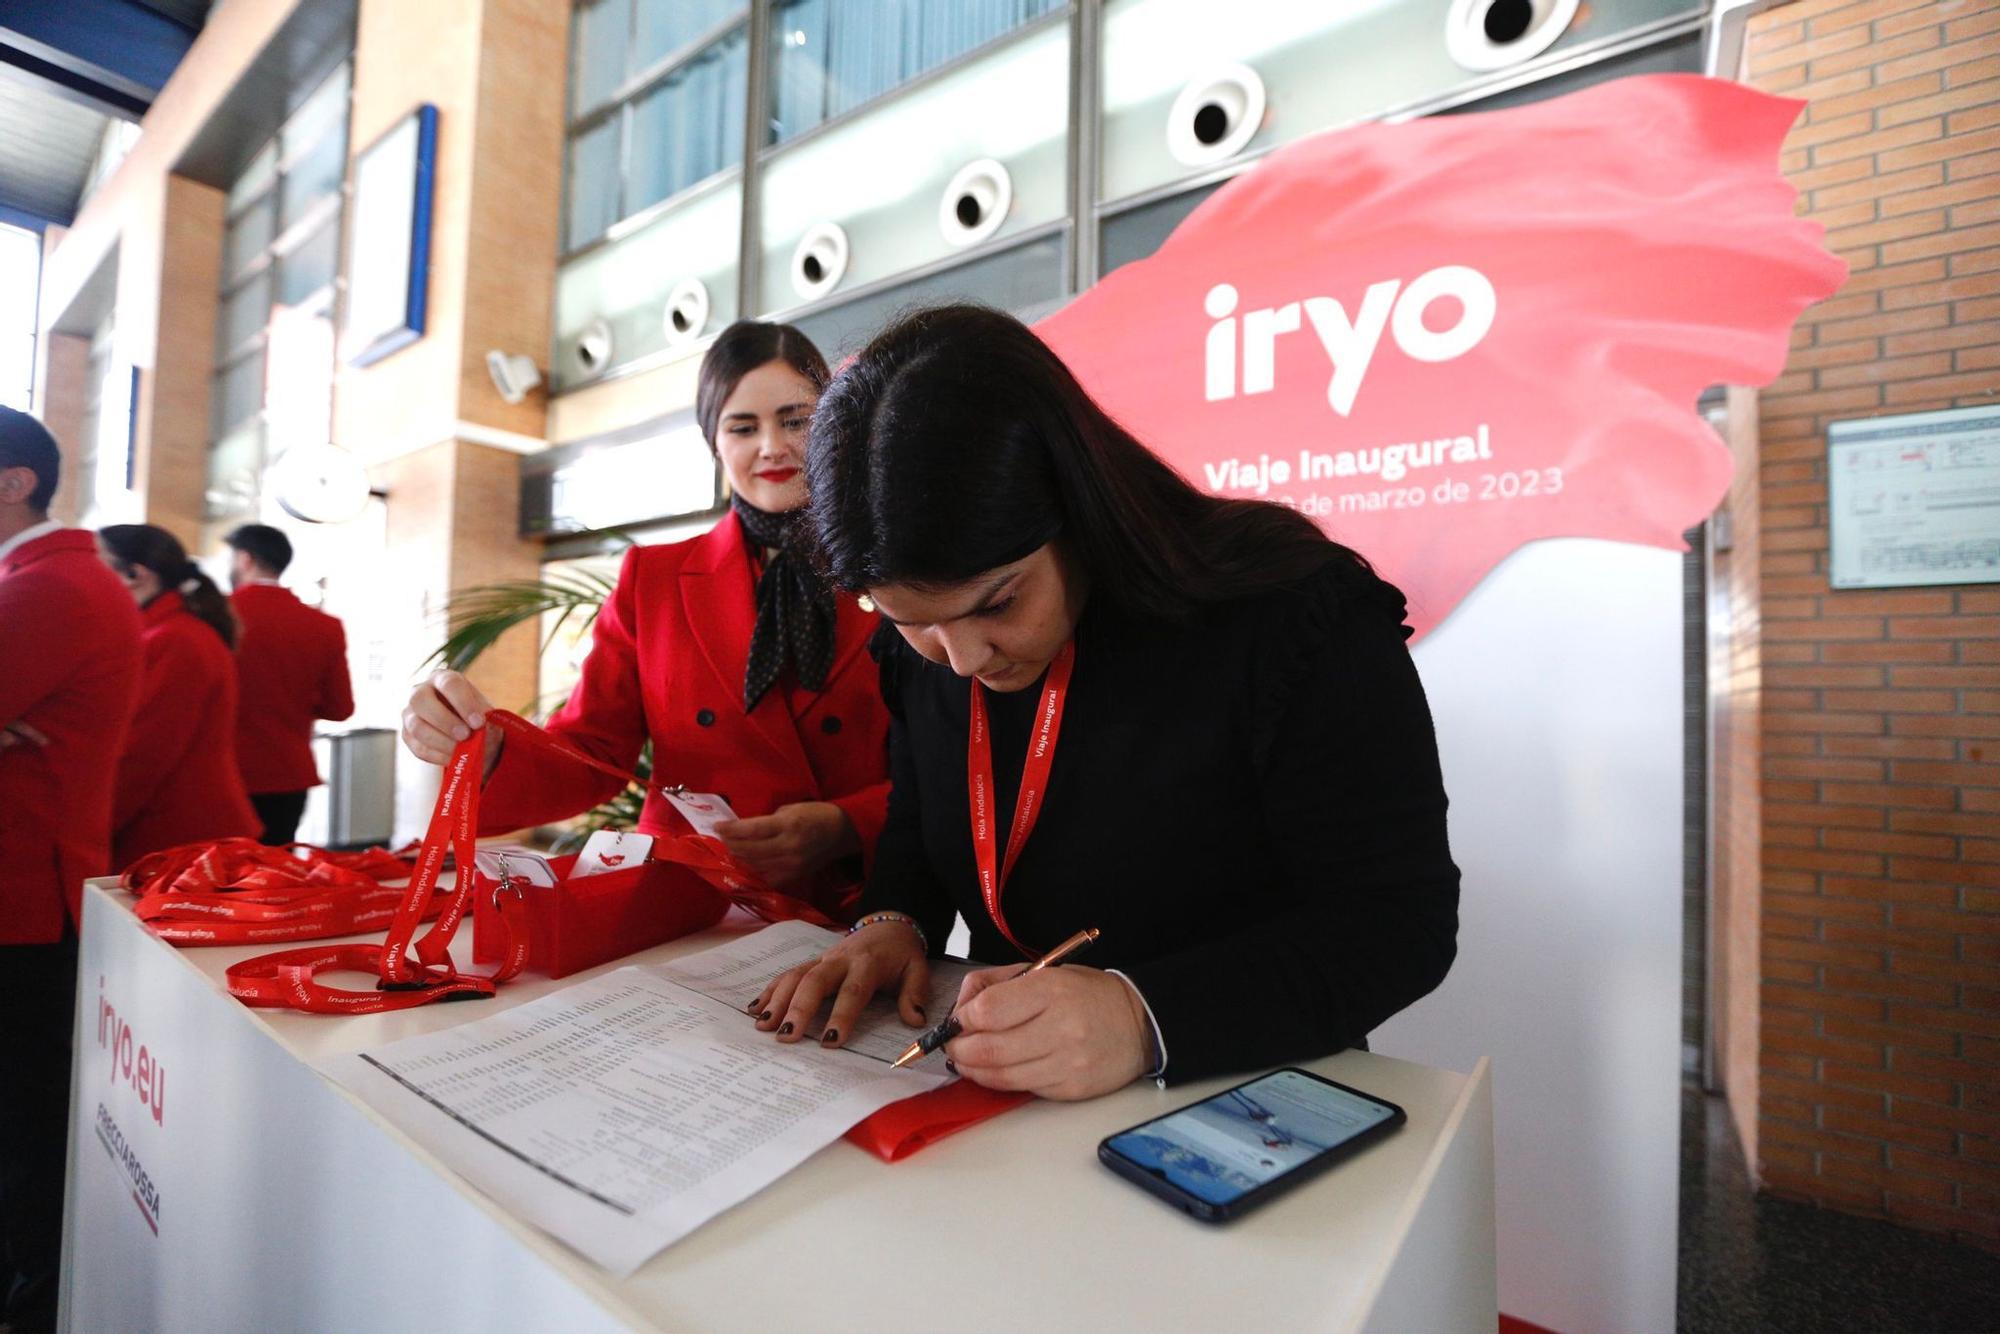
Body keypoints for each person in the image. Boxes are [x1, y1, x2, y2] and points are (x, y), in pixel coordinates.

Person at [750, 305, 1460, 1099]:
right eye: (910, 621)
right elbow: (922, 823)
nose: (962, 660)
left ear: (1077, 507)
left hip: (1249, 1092)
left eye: (997, 603)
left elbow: (1400, 922)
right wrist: (892, 922)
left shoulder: (1289, 613)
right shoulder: (922, 652)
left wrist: (1143, 1017)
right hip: (1007, 1107)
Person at [402, 321, 892, 918]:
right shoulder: (653, 577)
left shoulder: (889, 563)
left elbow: (941, 755)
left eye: (795, 420)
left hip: (855, 901)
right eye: (743, 427)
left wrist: (844, 826)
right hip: (687, 898)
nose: (772, 446)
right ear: (714, 442)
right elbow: (594, 750)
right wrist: (495, 747)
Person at [0, 407, 142, 1334]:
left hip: (24, 891)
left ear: (17, 481)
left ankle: (35, 1302)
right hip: (32, 886)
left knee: (25, 1121)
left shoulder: (50, 587)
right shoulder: (44, 579)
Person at [98, 525, 261, 870]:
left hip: (180, 835)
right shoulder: (169, 632)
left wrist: (94, 828)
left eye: (98, 568)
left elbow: (144, 754)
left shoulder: (173, 640)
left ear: (134, 575)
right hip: (178, 832)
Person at [225, 522, 355, 845]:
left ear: (244, 559)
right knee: (276, 880)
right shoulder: (324, 625)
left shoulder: (219, 615)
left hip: (223, 773)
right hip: (288, 774)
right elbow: (340, 708)